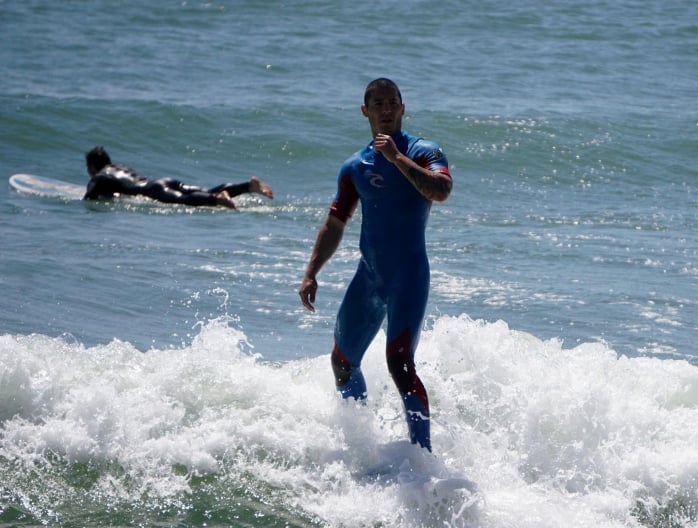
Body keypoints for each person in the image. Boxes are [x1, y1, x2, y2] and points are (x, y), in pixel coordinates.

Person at [298, 78, 452, 452]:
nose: (386, 110)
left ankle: (422, 458)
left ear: (403, 108)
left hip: (408, 276)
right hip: (369, 277)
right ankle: (361, 443)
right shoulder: (354, 166)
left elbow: (441, 190)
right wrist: (311, 271)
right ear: (365, 111)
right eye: (378, 104)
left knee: (399, 364)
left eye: (392, 103)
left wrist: (395, 159)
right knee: (342, 363)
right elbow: (335, 223)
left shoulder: (422, 151)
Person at [84, 146, 273, 209]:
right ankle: (248, 186)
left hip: (152, 190)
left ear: (92, 166)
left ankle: (218, 199)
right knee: (205, 191)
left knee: (183, 201)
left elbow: (88, 199)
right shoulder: (120, 167)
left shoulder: (100, 178)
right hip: (163, 181)